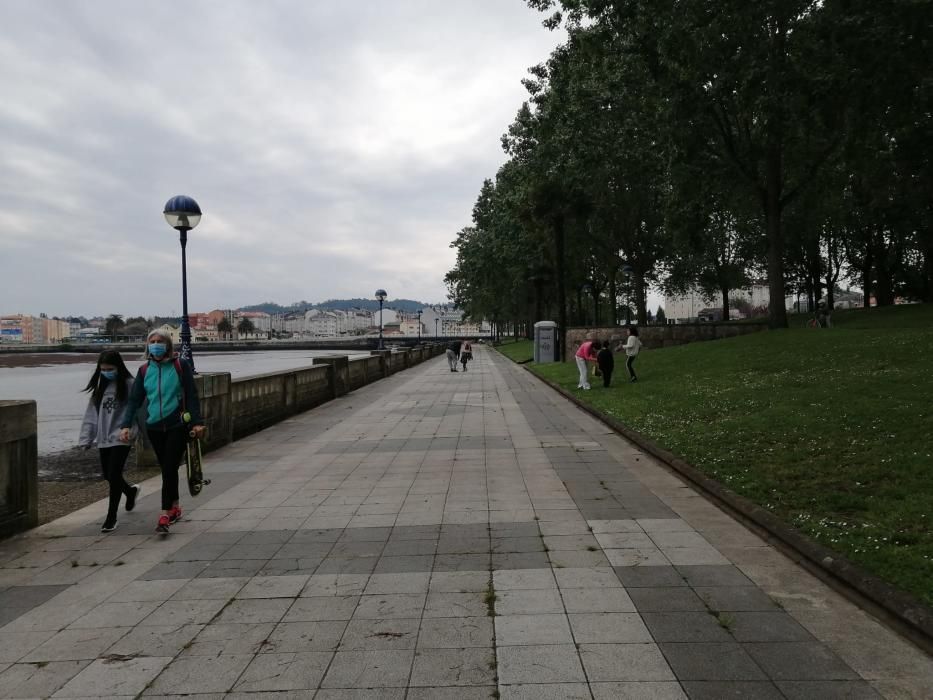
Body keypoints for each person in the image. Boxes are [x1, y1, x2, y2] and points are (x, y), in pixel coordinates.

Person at [119, 331, 205, 534]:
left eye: (160, 342)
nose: (156, 345)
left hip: (176, 424)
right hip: (154, 427)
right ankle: (175, 506)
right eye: (152, 342)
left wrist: (197, 422)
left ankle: (164, 514)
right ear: (147, 346)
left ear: (168, 346)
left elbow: (191, 395)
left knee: (168, 468)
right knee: (169, 469)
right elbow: (134, 400)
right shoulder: (143, 370)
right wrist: (125, 425)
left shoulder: (180, 366)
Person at [78, 351, 141, 532]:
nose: (106, 372)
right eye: (103, 369)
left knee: (114, 475)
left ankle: (111, 518)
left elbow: (137, 409)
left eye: (110, 369)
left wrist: (132, 431)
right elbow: (91, 414)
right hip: (104, 438)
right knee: (108, 475)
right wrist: (86, 438)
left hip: (122, 437)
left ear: (118, 367)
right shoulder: (100, 388)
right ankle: (130, 492)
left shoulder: (130, 384)